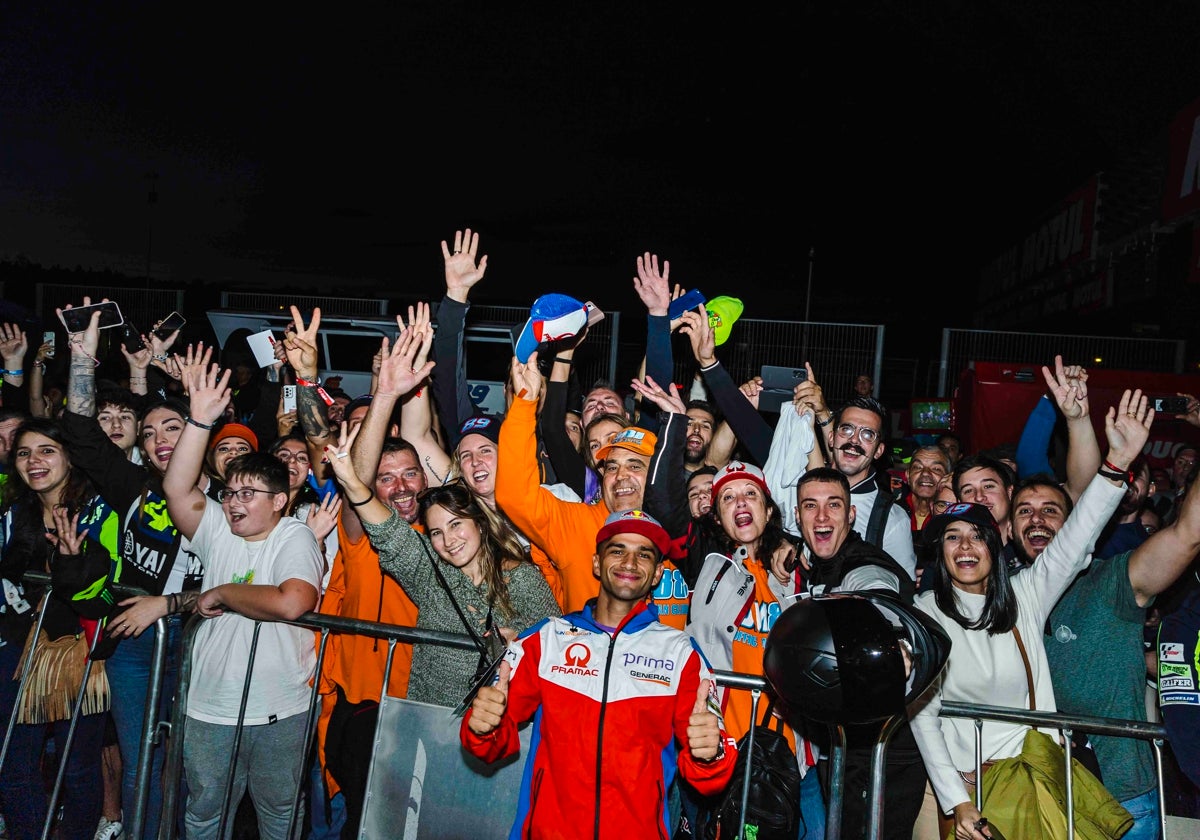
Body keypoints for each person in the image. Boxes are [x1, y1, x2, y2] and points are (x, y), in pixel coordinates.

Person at [908, 387, 1149, 840]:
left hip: (1031, 782)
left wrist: (1115, 466)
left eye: (976, 536)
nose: (965, 546)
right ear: (939, 552)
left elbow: (1075, 539)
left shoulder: (1024, 595)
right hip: (963, 791)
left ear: (994, 545)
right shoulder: (925, 613)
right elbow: (922, 713)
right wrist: (956, 802)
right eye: (952, 537)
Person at [461, 508, 736, 838]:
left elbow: (709, 776)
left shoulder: (682, 654)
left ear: (657, 574)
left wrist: (711, 755)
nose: (629, 563)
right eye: (617, 550)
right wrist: (482, 727)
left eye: (643, 554)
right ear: (596, 562)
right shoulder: (546, 639)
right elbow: (491, 745)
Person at [59, 303, 204, 840]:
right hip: (135, 647)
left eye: (175, 426)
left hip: (201, 646)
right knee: (143, 759)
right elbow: (78, 428)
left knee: (191, 770)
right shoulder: (135, 488)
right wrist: (81, 355)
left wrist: (167, 606)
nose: (162, 438)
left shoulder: (231, 499)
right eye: (150, 433)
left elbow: (240, 586)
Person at [163, 360, 323, 840]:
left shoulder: (294, 534)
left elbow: (293, 601)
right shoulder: (216, 529)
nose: (234, 502)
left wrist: (222, 593)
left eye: (249, 493)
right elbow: (176, 487)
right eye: (230, 492)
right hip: (210, 704)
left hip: (281, 707)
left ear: (278, 500)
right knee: (204, 813)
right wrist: (199, 421)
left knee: (278, 815)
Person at [324, 424, 560, 706]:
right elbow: (388, 530)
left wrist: (521, 642)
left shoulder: (522, 579)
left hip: (498, 717)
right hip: (427, 720)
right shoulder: (432, 574)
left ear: (481, 525)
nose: (449, 540)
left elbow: (556, 645)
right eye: (436, 532)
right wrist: (351, 481)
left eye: (456, 524)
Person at [687, 461, 827, 837]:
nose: (740, 503)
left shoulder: (797, 569)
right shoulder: (709, 567)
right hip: (732, 749)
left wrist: (790, 552)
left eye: (751, 494)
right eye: (728, 498)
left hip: (795, 748)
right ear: (716, 518)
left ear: (768, 510)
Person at [0, 420, 117, 839]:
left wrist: (72, 561)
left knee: (79, 765)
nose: (35, 461)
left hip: (82, 651)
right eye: (24, 453)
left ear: (69, 456)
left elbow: (108, 581)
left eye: (47, 450)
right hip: (23, 651)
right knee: (15, 763)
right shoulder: (16, 514)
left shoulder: (100, 509)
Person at [794, 466, 921, 839]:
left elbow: (877, 594)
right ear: (798, 514)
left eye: (833, 505)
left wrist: (893, 638)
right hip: (849, 742)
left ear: (851, 515)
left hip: (885, 749)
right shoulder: (819, 562)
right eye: (810, 506)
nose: (821, 517)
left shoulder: (862, 563)